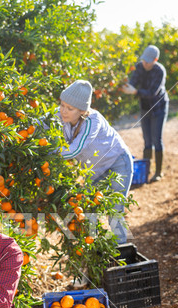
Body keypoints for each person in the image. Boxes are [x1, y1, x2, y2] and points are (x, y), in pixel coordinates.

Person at [52, 79, 133, 246]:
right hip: (94, 170)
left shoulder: (92, 121)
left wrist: (49, 152)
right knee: (88, 212)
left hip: (117, 164)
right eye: (62, 105)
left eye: (70, 108)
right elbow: (39, 123)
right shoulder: (59, 114)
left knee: (115, 211)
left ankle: (122, 256)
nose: (63, 111)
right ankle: (95, 254)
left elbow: (75, 150)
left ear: (82, 110)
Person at [122, 45, 169, 182]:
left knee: (156, 140)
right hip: (145, 108)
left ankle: (158, 172)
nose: (145, 63)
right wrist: (126, 86)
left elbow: (152, 93)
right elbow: (133, 82)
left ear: (155, 59)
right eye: (144, 60)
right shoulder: (139, 67)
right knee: (147, 141)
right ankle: (146, 171)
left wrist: (135, 92)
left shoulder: (160, 71)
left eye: (148, 61)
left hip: (158, 108)